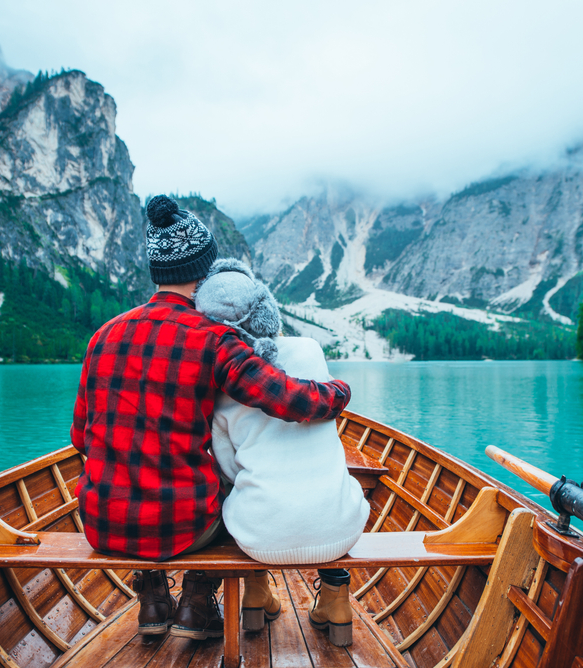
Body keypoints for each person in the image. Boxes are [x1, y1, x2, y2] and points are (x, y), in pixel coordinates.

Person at [70, 195, 352, 640]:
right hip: (185, 530)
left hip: (102, 525)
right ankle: (197, 605)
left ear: (156, 273)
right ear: (205, 274)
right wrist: (338, 393)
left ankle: (154, 601)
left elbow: (81, 440)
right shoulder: (214, 339)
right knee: (230, 488)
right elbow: (283, 398)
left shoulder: (103, 336)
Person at [195, 259, 370, 647]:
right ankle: (336, 600)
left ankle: (256, 594)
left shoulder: (224, 380)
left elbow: (226, 469)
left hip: (260, 537)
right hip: (341, 530)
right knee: (330, 482)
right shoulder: (309, 350)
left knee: (229, 493)